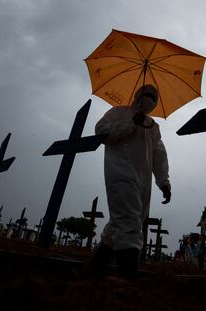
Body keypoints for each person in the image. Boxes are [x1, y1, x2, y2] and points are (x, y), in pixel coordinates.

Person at [85, 84, 171, 278]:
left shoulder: (153, 127)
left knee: (120, 226)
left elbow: (160, 155)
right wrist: (131, 123)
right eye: (146, 95)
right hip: (120, 174)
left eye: (153, 98)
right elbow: (102, 133)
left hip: (143, 182)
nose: (149, 100)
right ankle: (127, 281)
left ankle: (90, 274)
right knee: (129, 222)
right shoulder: (118, 113)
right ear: (137, 95)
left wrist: (164, 182)